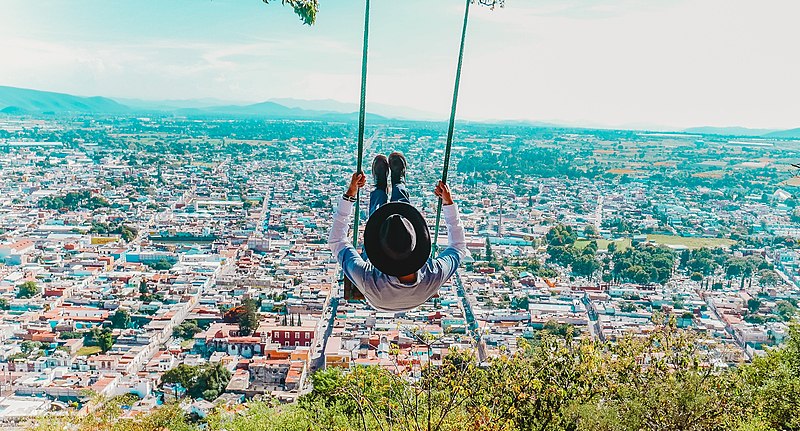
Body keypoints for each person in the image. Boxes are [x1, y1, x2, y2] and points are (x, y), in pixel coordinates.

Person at [328, 152, 469, 312]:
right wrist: (448, 203)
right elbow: (458, 248)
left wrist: (349, 195)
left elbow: (336, 242)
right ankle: (397, 183)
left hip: (380, 299)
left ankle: (382, 186)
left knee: (383, 217)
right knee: (396, 222)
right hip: (395, 296)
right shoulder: (432, 274)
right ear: (416, 246)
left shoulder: (370, 281)